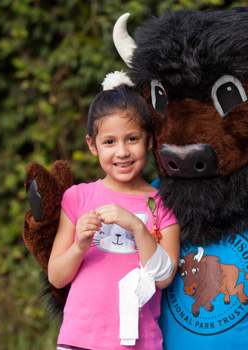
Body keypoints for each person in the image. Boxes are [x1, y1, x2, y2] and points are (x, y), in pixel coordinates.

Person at [47, 71, 180, 350]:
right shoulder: (78, 197)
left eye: (132, 139)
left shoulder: (165, 203)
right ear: (92, 145)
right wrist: (80, 245)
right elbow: (57, 277)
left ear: (150, 140)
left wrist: (136, 226)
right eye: (109, 142)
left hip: (140, 343)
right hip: (78, 341)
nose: (122, 152)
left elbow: (164, 276)